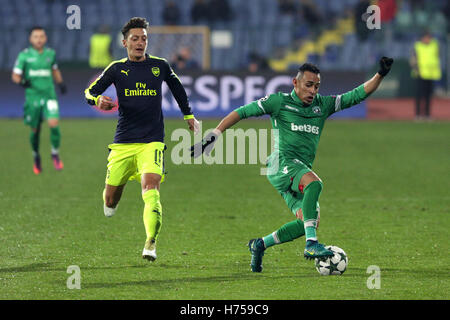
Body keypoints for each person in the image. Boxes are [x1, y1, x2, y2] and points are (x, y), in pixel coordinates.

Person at [191, 57, 394, 272]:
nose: (313, 91)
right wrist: (214, 134)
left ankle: (260, 244)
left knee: (307, 221)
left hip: (296, 168)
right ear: (295, 83)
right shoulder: (278, 102)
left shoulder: (322, 106)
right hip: (281, 164)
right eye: (308, 85)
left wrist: (380, 74)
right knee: (315, 184)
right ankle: (311, 244)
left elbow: (357, 95)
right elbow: (242, 112)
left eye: (317, 86)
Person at [84, 17, 199, 261]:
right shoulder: (116, 68)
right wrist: (97, 100)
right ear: (125, 42)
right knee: (110, 200)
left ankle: (150, 242)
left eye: (144, 39)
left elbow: (178, 89)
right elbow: (90, 91)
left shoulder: (160, 66)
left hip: (152, 140)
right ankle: (113, 198)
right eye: (135, 39)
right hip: (124, 141)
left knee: (151, 188)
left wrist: (188, 115)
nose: (140, 43)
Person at [11, 26, 67, 175]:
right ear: (30, 39)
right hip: (33, 98)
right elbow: (15, 75)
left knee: (54, 125)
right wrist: (22, 82)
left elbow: (55, 70)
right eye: (36, 36)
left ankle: (54, 153)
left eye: (41, 36)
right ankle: (36, 156)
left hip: (49, 95)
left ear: (45, 38)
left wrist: (60, 83)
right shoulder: (24, 56)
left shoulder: (50, 54)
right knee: (35, 130)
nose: (39, 39)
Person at [410, 31, 442, 120]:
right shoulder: (417, 46)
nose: (428, 39)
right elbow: (413, 59)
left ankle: (427, 115)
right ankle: (418, 115)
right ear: (422, 38)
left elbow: (438, 56)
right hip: (420, 74)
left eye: (429, 37)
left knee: (428, 95)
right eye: (427, 37)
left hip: (431, 74)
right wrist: (416, 69)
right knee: (419, 95)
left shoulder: (435, 45)